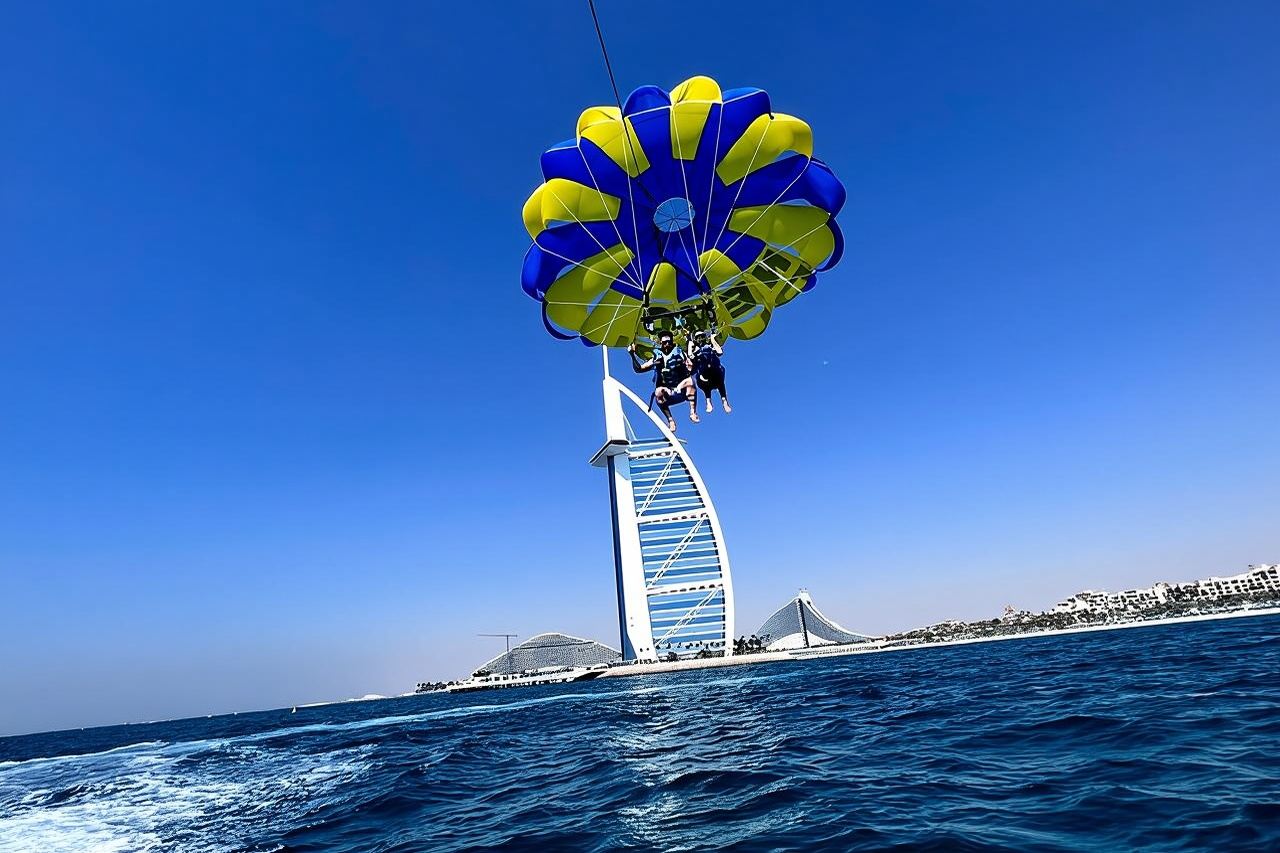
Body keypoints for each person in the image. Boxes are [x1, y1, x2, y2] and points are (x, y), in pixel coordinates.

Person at [629, 333, 698, 430]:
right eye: (665, 342)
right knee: (658, 392)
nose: (667, 344)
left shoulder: (680, 353)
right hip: (668, 393)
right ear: (661, 343)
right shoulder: (657, 358)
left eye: (669, 342)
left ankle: (693, 412)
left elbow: (691, 364)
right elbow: (639, 369)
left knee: (690, 381)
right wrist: (632, 354)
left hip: (683, 390)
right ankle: (670, 420)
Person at [689, 330, 731, 414]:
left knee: (720, 382)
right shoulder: (696, 350)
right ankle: (708, 401)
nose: (700, 339)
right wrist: (690, 346)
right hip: (704, 375)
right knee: (705, 386)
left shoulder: (710, 347)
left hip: (715, 373)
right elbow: (691, 356)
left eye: (702, 337)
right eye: (698, 338)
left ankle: (724, 400)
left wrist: (713, 339)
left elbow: (720, 352)